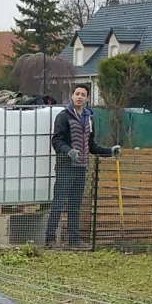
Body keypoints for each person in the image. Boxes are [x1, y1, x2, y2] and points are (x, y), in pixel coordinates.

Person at [45, 83, 117, 247]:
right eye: (77, 93)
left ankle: (74, 240)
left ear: (87, 98)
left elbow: (92, 146)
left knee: (75, 205)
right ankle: (50, 239)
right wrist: (69, 151)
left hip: (81, 167)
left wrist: (110, 151)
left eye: (83, 94)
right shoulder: (64, 116)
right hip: (65, 166)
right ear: (72, 96)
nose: (79, 97)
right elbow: (56, 140)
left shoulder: (89, 118)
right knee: (59, 203)